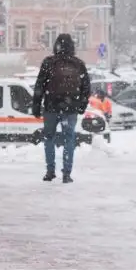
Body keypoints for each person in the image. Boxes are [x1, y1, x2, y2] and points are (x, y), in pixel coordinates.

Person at [32, 33, 91, 183]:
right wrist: (81, 105)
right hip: (70, 108)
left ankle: (50, 171)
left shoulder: (49, 63)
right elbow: (86, 88)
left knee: (49, 138)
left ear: (56, 46)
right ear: (72, 47)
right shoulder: (78, 64)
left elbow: (39, 86)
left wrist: (36, 106)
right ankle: (66, 173)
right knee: (69, 139)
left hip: (51, 106)